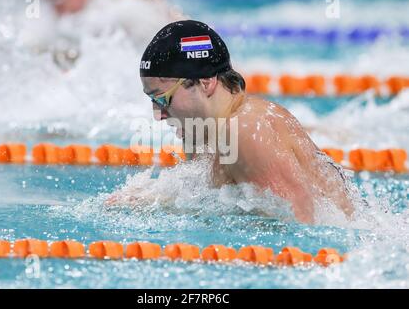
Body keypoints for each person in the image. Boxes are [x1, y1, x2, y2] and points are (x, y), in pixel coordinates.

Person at [136, 20, 356, 224]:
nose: (159, 114)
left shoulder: (245, 131)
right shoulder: (203, 133)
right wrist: (157, 200)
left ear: (205, 82)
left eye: (162, 98)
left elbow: (302, 233)